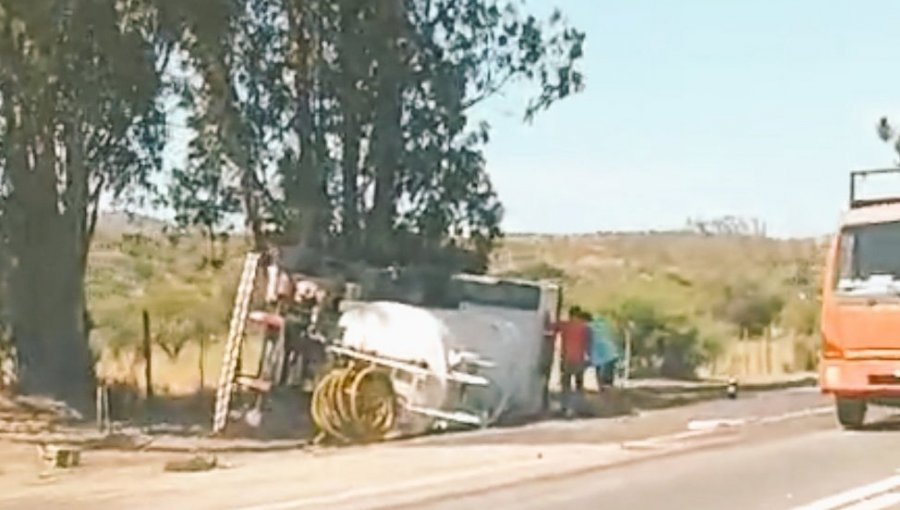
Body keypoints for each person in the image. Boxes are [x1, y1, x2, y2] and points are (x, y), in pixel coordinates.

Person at [555, 306, 590, 417]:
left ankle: (565, 408)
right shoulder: (585, 328)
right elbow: (588, 344)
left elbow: (551, 327)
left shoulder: (565, 325)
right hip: (579, 359)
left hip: (567, 359)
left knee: (566, 385)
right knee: (579, 385)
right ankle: (579, 408)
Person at [587, 315, 620, 392]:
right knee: (608, 371)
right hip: (610, 352)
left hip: (598, 352)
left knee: (599, 370)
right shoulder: (607, 326)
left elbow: (588, 339)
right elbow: (613, 337)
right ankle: (607, 385)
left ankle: (601, 386)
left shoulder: (589, 327)